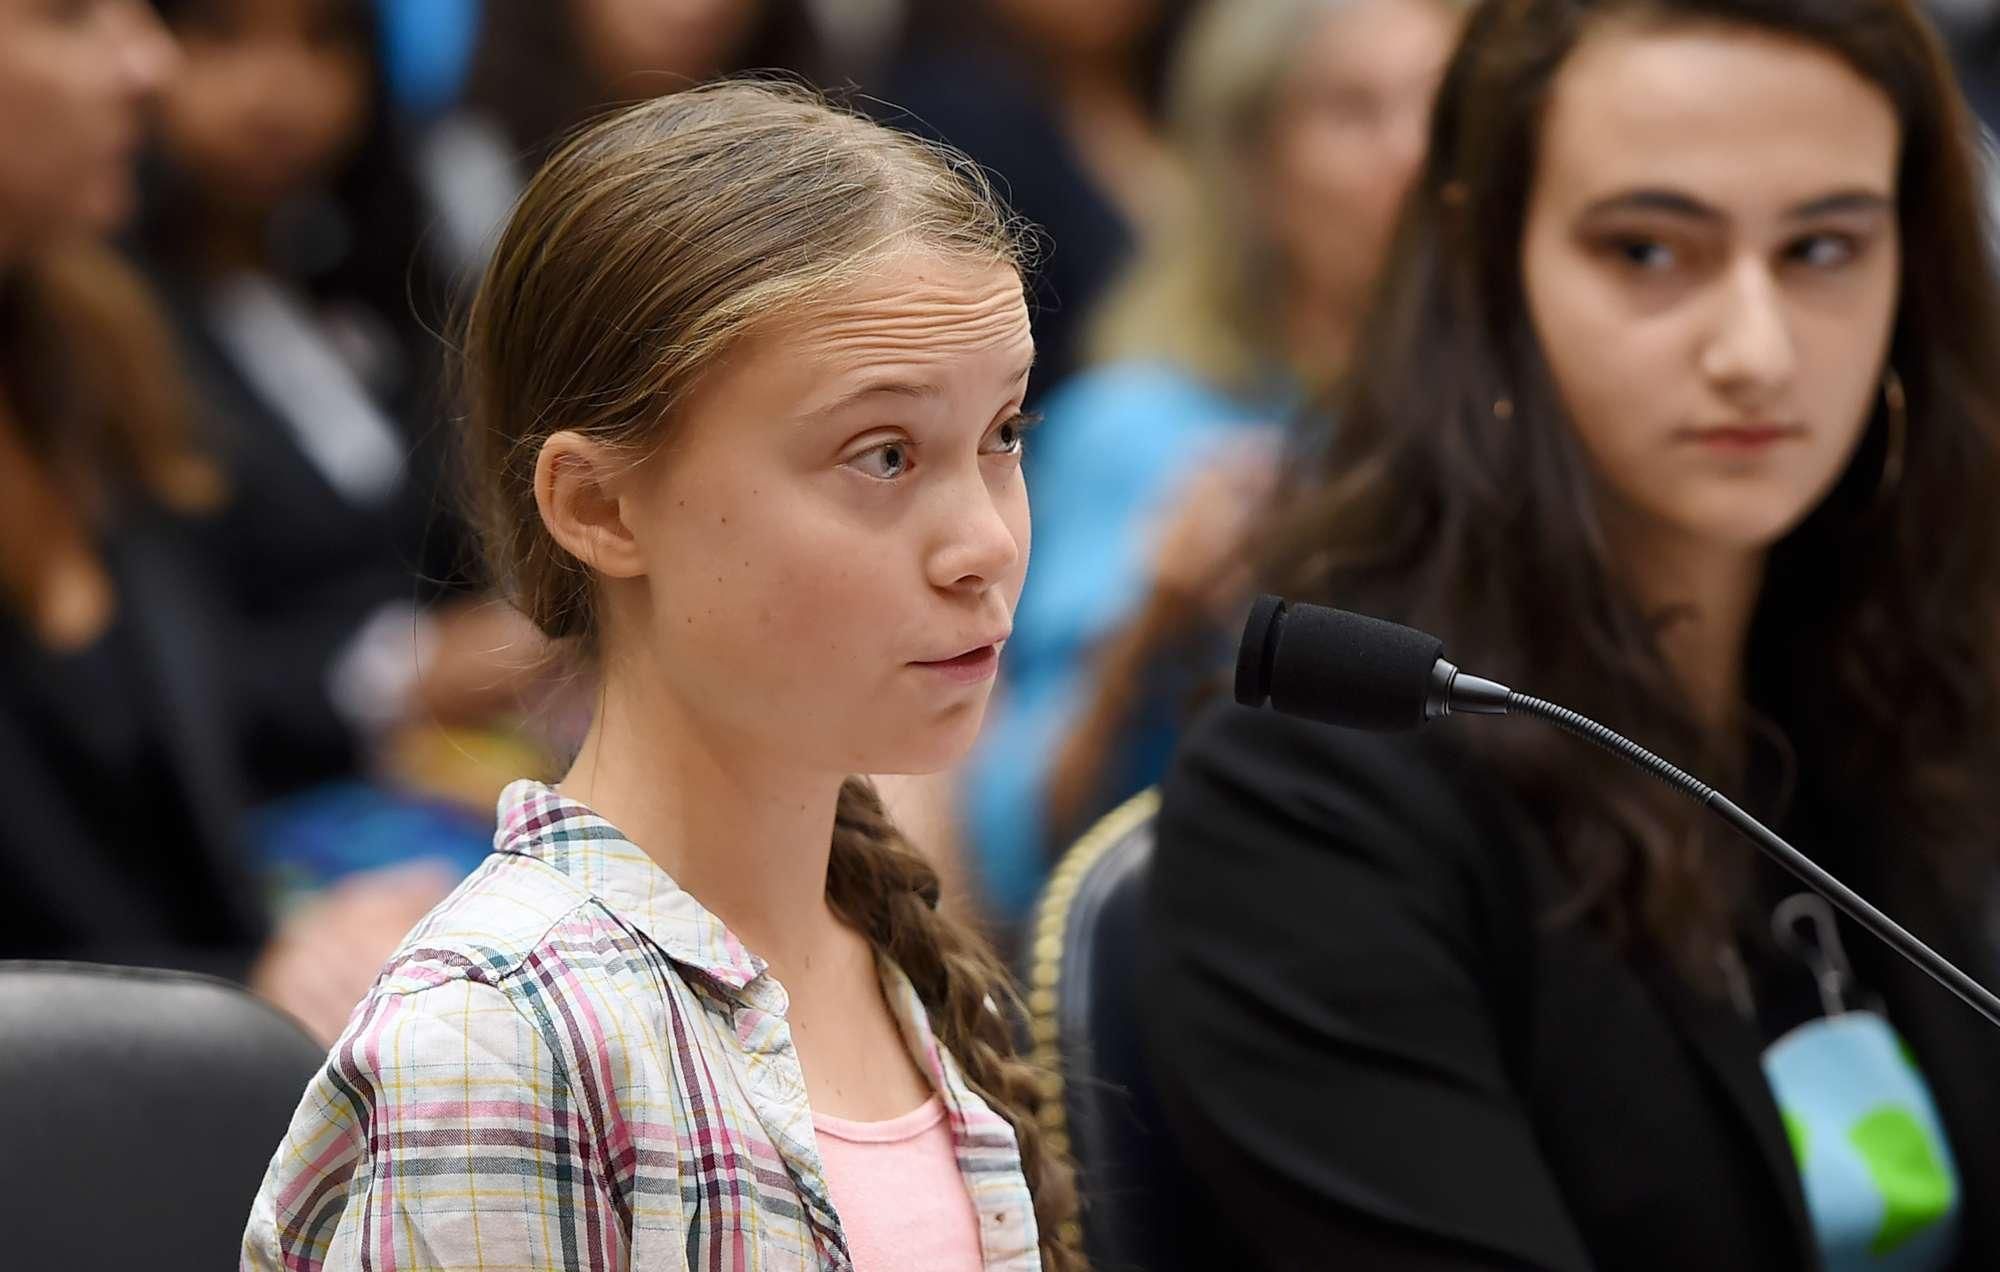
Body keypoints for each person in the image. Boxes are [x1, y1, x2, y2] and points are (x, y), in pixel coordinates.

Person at [1142, 0, 2000, 1268]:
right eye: (1647, 250)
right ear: (1485, 259)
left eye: (1821, 248)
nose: (1754, 351)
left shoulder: (1892, 681)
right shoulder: (1313, 796)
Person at [243, 82, 1080, 1270]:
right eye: (883, 455)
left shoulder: (913, 971)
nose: (984, 543)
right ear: (600, 507)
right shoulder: (497, 1042)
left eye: (1002, 435)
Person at [0, 0, 444, 1043]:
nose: (148, 62)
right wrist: (246, 991)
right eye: (70, 14)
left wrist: (298, 957)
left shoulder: (92, 345)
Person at [964, 0, 1461, 917]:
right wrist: (1155, 623)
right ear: (1255, 166)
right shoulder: (1143, 427)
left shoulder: (1508, 417)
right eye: (1354, 112)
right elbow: (1015, 839)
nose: (1415, 152)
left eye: (1441, 107)